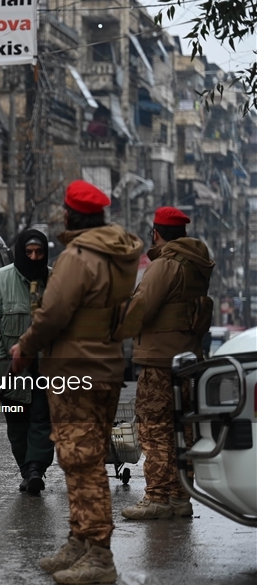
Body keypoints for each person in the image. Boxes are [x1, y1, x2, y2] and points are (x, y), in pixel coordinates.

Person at [10, 180, 143, 585]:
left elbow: (51, 315)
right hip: (104, 367)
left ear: (70, 215)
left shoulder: (78, 257)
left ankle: (98, 555)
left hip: (74, 371)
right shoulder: (121, 257)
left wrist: (26, 348)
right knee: (82, 455)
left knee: (81, 461)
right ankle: (79, 541)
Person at [118, 207, 213, 520]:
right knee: (182, 432)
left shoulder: (165, 265)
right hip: (188, 362)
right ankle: (179, 496)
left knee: (155, 430)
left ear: (155, 233)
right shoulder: (197, 264)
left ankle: (158, 497)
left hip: (159, 363)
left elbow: (138, 311)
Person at [0, 229, 54, 495]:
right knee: (18, 426)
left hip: (47, 371)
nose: (33, 257)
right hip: (11, 371)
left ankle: (35, 470)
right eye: (28, 252)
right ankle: (26, 468)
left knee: (42, 422)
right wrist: (1, 354)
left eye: (39, 252)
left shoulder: (55, 282)